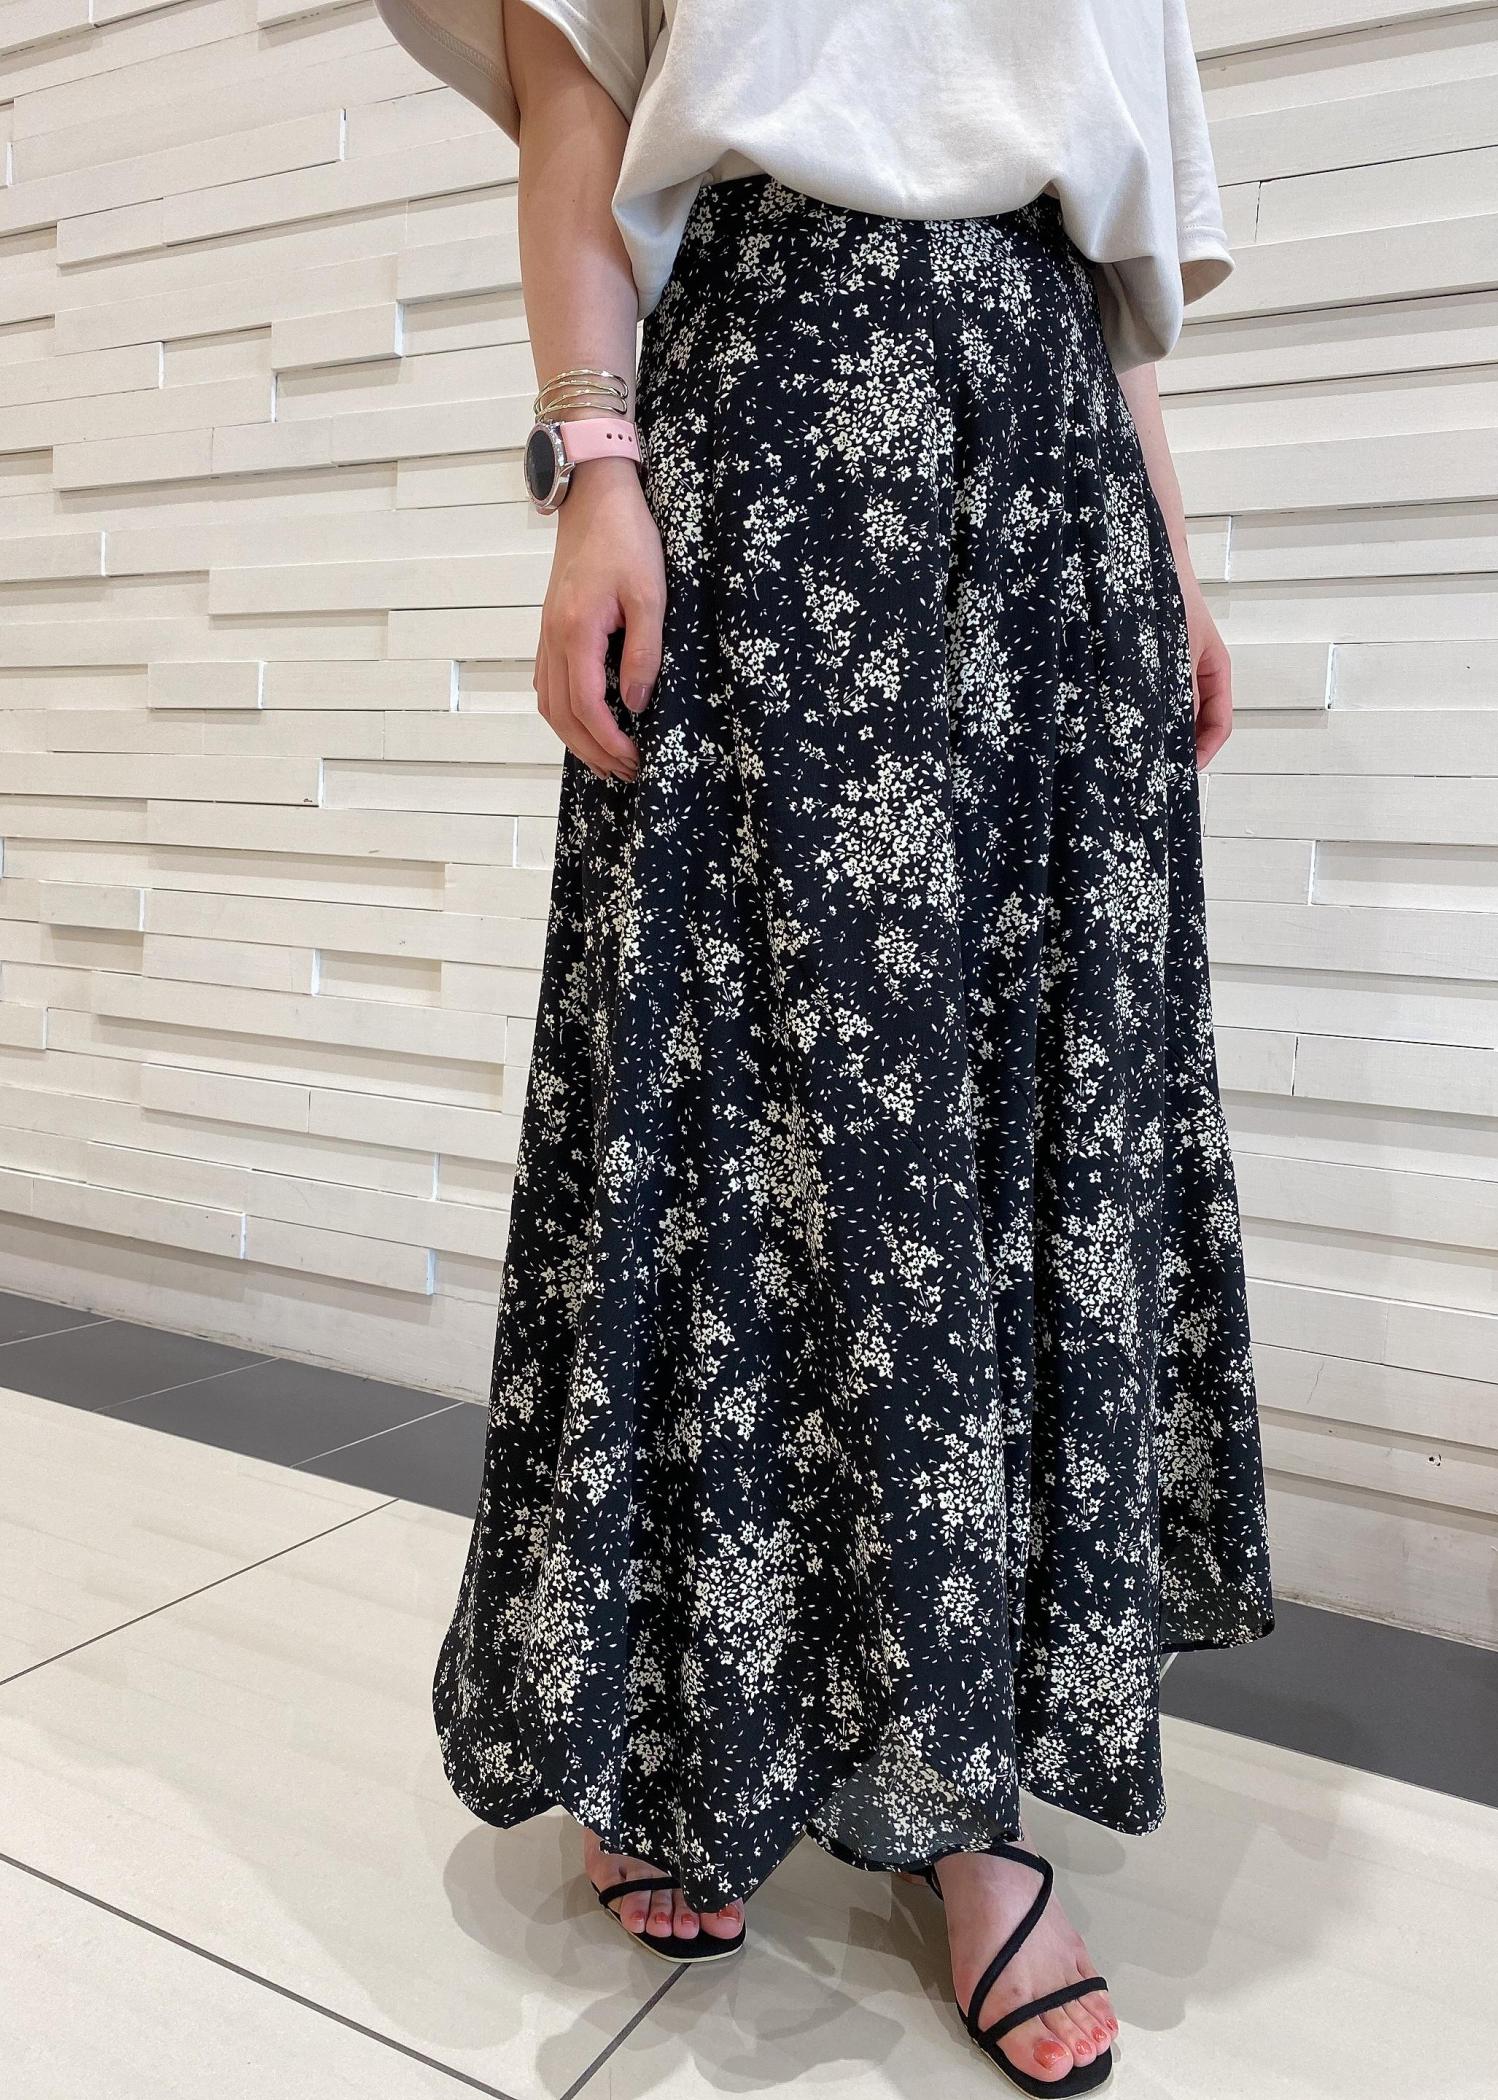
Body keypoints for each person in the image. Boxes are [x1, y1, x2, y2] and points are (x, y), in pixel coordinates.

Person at [370, 1, 1276, 2089]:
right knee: (731, 1099)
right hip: (768, 423)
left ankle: (971, 1809)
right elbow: (579, 100)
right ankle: (674, 1723)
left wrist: (1169, 554)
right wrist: (595, 467)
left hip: (1049, 466)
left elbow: (1112, 250)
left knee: (1011, 1109)